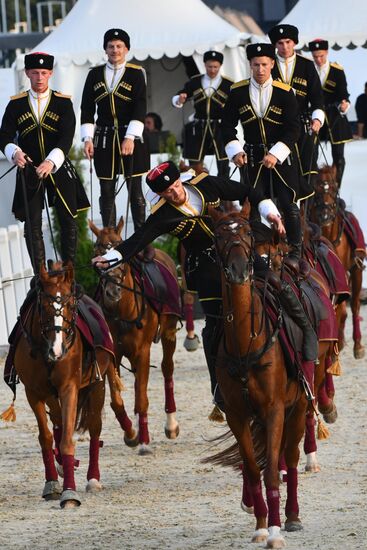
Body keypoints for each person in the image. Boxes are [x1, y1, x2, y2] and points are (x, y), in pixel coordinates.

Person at [92, 160, 318, 410]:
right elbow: (136, 240)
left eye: (176, 186)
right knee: (213, 323)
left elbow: (248, 192)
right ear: (160, 195)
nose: (175, 193)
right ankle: (218, 387)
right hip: (205, 267)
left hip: (234, 250)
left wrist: (270, 213)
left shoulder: (205, 184)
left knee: (275, 282)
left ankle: (306, 330)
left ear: (181, 181)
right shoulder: (162, 216)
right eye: (168, 192)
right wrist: (108, 259)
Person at [222, 42, 312, 269]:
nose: (260, 69)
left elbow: (294, 128)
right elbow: (226, 126)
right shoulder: (237, 91)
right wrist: (235, 150)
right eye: (255, 65)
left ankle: (295, 252)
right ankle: (254, 253)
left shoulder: (285, 92)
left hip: (281, 158)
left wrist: (276, 153)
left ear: (272, 64)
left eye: (264, 64)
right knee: (251, 206)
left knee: (288, 202)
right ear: (250, 65)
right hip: (251, 157)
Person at [0, 52, 90, 274]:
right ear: (27, 74)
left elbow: (67, 137)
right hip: (28, 169)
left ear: (50, 74)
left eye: (43, 73)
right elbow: (4, 136)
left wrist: (51, 161)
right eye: (35, 73)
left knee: (68, 219)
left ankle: (70, 272)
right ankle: (40, 274)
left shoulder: (63, 103)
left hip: (57, 166)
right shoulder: (16, 105)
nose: (39, 78)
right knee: (32, 226)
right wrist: (15, 153)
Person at [80, 28, 149, 232]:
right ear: (105, 49)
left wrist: (130, 137)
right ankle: (108, 238)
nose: (115, 50)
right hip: (104, 138)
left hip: (131, 136)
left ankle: (141, 237)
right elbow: (86, 108)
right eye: (111, 46)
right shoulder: (94, 74)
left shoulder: (137, 73)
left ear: (126, 49)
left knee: (135, 190)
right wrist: (87, 139)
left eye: (119, 46)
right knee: (106, 190)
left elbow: (140, 106)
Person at [268, 24, 325, 185]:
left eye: (288, 42)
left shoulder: (306, 65)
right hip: (276, 125)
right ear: (275, 45)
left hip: (304, 124)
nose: (285, 47)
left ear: (294, 43)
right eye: (280, 43)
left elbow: (316, 96)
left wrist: (317, 119)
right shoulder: (267, 65)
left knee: (308, 168)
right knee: (281, 168)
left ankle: (308, 206)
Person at [172, 50, 233, 178]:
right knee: (194, 161)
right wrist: (180, 98)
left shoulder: (229, 84)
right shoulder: (194, 82)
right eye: (210, 66)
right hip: (199, 125)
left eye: (215, 67)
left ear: (220, 66)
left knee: (223, 161)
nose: (212, 70)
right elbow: (180, 95)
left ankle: (224, 193)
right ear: (204, 65)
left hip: (220, 126)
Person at [309, 39, 353, 186]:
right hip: (314, 115)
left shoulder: (337, 70)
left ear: (327, 53)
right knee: (311, 155)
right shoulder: (308, 70)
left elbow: (344, 93)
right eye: (315, 56)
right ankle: (314, 189)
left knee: (339, 157)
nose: (318, 59)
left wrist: (344, 103)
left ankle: (336, 187)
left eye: (321, 55)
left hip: (334, 115)